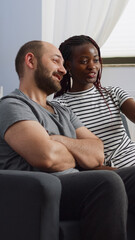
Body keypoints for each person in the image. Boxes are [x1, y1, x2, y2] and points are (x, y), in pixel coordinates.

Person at [0, 40, 135, 240]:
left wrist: (56, 139)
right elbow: (47, 157)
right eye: (56, 61)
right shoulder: (12, 105)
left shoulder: (64, 111)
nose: (63, 70)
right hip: (43, 190)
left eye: (64, 64)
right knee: (107, 181)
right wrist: (78, 154)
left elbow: (97, 154)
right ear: (31, 60)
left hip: (76, 181)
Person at [53, 35, 135, 169]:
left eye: (95, 60)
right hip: (111, 174)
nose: (92, 66)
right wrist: (117, 174)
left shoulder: (113, 93)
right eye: (84, 61)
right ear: (68, 65)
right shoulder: (60, 106)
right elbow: (79, 159)